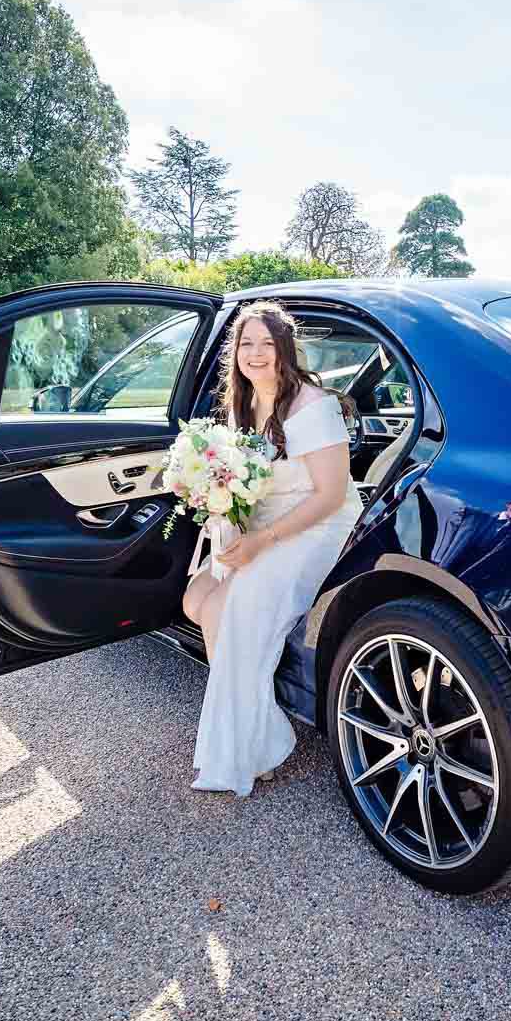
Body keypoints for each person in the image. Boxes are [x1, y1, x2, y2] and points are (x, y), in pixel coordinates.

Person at [182, 301, 365, 795]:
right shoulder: (242, 405)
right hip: (268, 522)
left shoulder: (311, 406)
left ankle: (256, 746)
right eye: (247, 343)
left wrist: (261, 540)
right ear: (235, 352)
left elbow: (329, 494)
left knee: (224, 609)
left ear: (285, 349)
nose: (256, 353)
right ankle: (251, 720)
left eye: (267, 343)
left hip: (318, 528)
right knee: (196, 600)